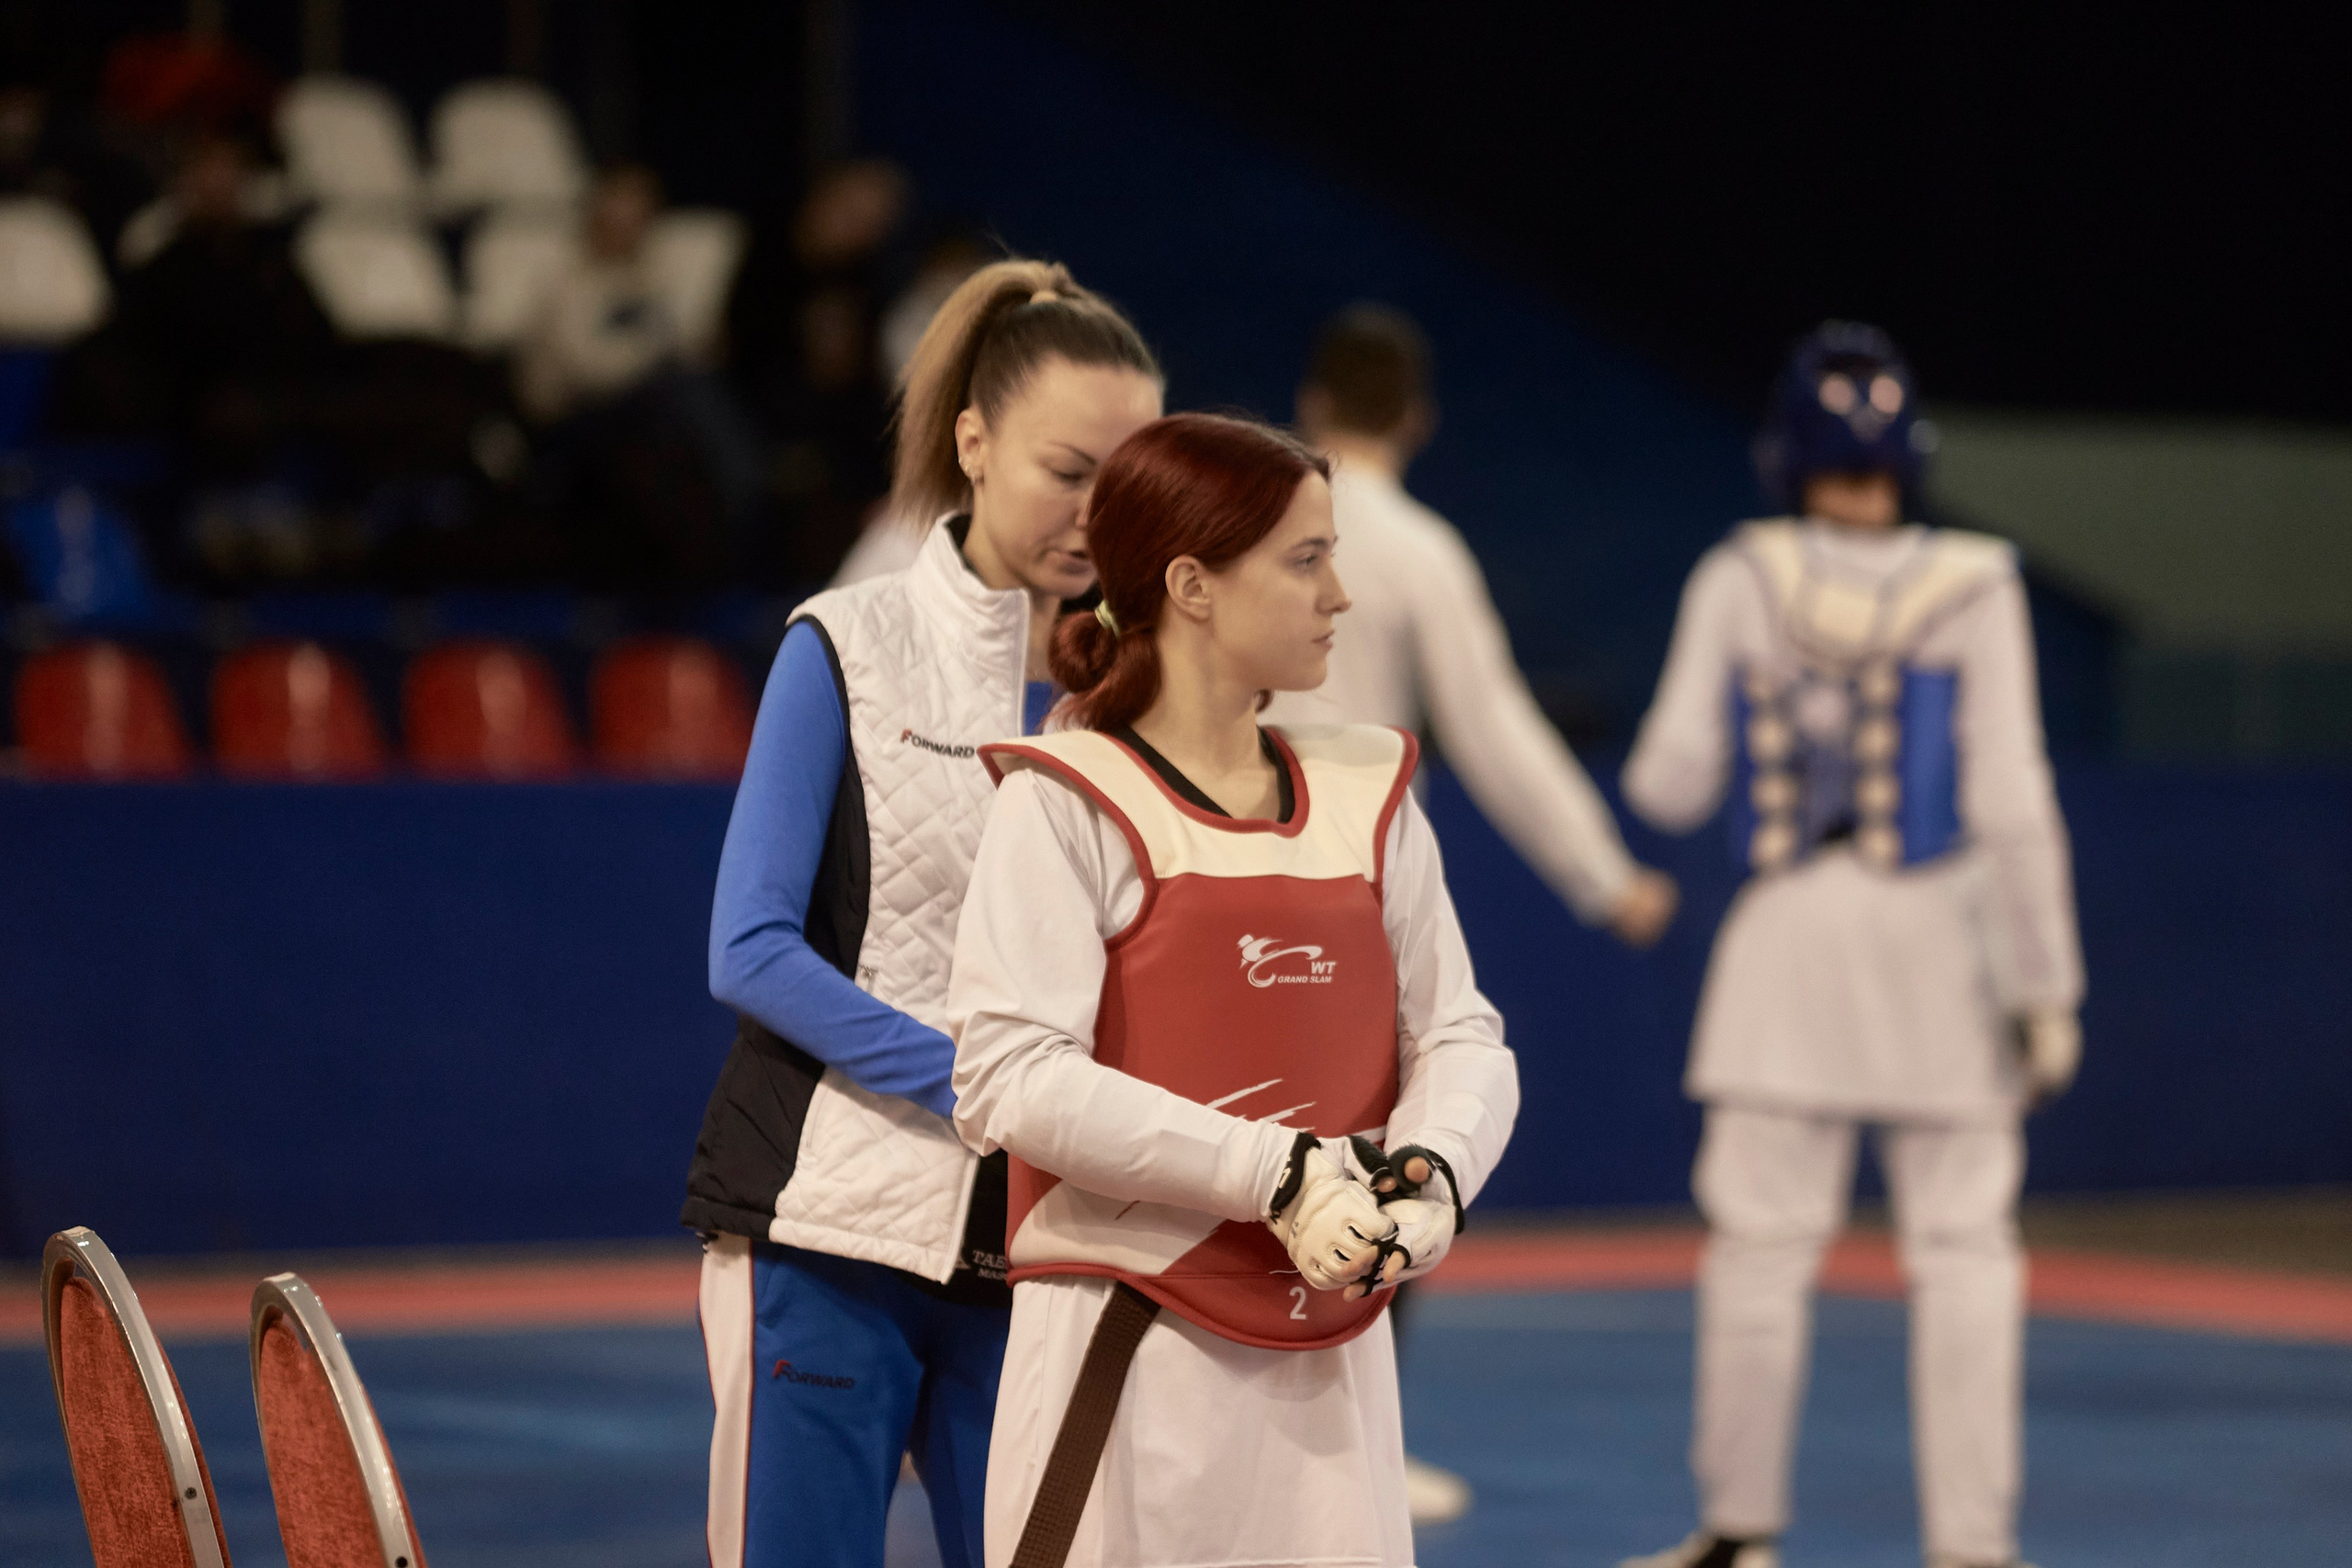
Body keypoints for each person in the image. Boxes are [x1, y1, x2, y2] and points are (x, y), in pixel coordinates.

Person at [950, 412, 1520, 1568]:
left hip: (1335, 1344)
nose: (1339, 595)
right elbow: (1009, 1078)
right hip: (1129, 1339)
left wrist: (1436, 1171)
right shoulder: (1065, 799)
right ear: (1191, 585)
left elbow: (1459, 1030)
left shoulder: (1368, 786)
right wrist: (1279, 1172)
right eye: (1305, 559)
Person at [682, 258, 1163, 1568]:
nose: (1093, 511)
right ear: (974, 439)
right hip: (829, 1230)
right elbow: (751, 947)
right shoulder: (845, 641)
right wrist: (980, 1081)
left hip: (1044, 1258)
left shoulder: (1151, 696)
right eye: (1068, 469)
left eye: (1125, 479)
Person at [1615, 322, 2085, 1568]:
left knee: (1759, 1253)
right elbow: (2012, 798)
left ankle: (1736, 1531)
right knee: (1968, 1254)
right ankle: (1974, 1544)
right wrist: (2049, 984)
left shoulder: (1737, 574)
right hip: (1944, 951)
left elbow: (1667, 783)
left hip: (1781, 961)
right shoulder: (1979, 581)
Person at [1268, 302, 1679, 948]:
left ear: (1311, 403)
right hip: (1351, 877)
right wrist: (1608, 878)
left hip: (1214, 858)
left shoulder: (1229, 522)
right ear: (1417, 420)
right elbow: (1489, 724)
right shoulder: (1423, 553)